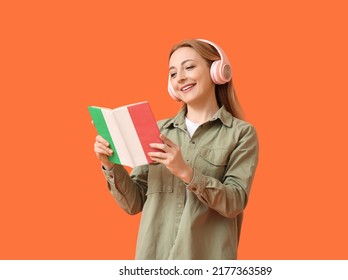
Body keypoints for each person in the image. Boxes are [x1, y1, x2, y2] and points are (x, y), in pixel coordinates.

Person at [93, 39, 259, 259]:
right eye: (173, 73)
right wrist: (110, 164)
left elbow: (235, 202)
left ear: (217, 71)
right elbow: (134, 203)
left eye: (189, 67)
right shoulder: (156, 130)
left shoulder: (241, 133)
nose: (179, 77)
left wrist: (186, 172)